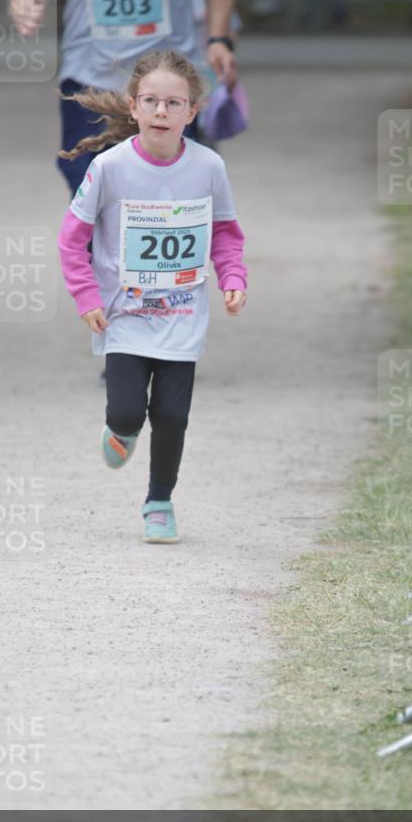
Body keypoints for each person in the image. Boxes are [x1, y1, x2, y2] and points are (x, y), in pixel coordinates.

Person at [57, 49, 247, 544]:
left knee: (171, 415)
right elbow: (70, 239)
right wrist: (86, 297)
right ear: (133, 106)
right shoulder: (110, 167)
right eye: (151, 101)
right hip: (123, 315)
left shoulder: (209, 167)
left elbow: (226, 232)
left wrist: (233, 277)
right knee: (126, 411)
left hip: (183, 314)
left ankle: (159, 501)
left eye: (174, 103)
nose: (162, 111)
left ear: (193, 111)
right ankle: (121, 431)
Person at [10, 0, 237, 195]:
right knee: (86, 182)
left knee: (171, 185)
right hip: (90, 75)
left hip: (168, 80)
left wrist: (218, 39)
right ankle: (93, 234)